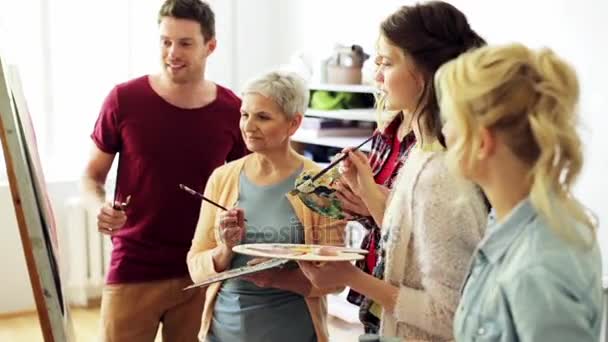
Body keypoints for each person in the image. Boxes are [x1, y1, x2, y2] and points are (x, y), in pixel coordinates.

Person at [298, 2, 489, 339]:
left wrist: (350, 277)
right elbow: (405, 244)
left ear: (424, 74)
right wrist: (366, 192)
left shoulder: (439, 174)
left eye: (386, 63)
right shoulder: (419, 157)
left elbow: (449, 314)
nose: (376, 75)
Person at [81, 0, 247, 341]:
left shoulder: (233, 110)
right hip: (134, 266)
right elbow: (91, 177)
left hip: (201, 268)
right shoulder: (123, 100)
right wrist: (98, 206)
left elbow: (249, 182)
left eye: (185, 43)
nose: (172, 52)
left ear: (210, 46)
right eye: (165, 41)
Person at [436, 43, 603, 341]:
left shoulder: (537, 269)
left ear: (482, 142)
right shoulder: (511, 222)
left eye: (451, 121)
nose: (444, 133)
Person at [187, 71, 345, 342]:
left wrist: (276, 279)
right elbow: (195, 264)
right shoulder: (222, 178)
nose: (248, 126)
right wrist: (225, 249)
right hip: (224, 332)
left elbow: (338, 278)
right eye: (244, 114)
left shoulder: (321, 183)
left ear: (293, 124)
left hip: (294, 332)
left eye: (263, 117)